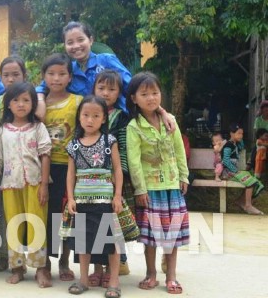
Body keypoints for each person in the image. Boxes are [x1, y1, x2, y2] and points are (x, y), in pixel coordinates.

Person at [126, 71, 189, 294]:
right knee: (151, 237)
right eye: (145, 94)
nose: (151, 98)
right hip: (150, 190)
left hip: (172, 187)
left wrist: (184, 176)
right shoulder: (133, 127)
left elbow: (179, 150)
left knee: (172, 236)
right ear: (134, 98)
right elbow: (134, 162)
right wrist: (140, 189)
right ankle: (151, 273)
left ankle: (171, 276)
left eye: (155, 92)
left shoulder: (170, 121)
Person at [0, 82, 52, 286]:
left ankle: (41, 268)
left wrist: (44, 185)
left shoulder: (38, 127)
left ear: (33, 104)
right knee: (14, 226)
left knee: (37, 224)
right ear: (8, 105)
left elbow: (45, 155)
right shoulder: (2, 131)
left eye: (26, 100)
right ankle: (17, 267)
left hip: (34, 183)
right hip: (9, 184)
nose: (21, 104)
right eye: (16, 100)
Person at [61, 96, 123, 298]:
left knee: (111, 241)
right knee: (82, 241)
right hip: (81, 201)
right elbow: (70, 174)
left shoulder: (109, 141)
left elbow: (118, 169)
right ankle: (84, 279)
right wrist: (70, 198)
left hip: (105, 200)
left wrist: (117, 195)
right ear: (79, 117)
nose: (90, 120)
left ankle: (114, 281)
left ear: (104, 118)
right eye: (86, 115)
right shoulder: (74, 145)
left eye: (96, 116)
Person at [41, 53, 83, 286]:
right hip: (44, 167)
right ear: (44, 76)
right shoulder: (38, 102)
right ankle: (44, 262)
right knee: (47, 216)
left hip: (70, 167)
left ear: (69, 77)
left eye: (62, 74)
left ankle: (64, 262)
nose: (56, 78)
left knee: (68, 216)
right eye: (51, 73)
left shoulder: (77, 101)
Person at [36, 22, 131, 117]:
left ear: (90, 40)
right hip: (87, 123)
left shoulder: (106, 60)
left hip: (118, 119)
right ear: (65, 46)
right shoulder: (67, 70)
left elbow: (131, 86)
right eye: (70, 42)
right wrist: (40, 100)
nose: (76, 46)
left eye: (80, 40)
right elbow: (44, 86)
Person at [91, 70, 133, 281]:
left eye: (111, 89)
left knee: (112, 223)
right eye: (101, 88)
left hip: (111, 179)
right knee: (94, 222)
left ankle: (116, 265)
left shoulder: (121, 117)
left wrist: (120, 176)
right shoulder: (87, 112)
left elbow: (123, 149)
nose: (105, 93)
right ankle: (97, 266)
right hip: (89, 181)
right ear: (94, 89)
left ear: (119, 93)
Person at [0, 55, 28, 273]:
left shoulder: (31, 99)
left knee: (23, 212)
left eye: (16, 75)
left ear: (24, 76)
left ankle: (23, 258)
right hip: (1, 163)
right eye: (6, 75)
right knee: (0, 210)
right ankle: (2, 256)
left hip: (24, 166)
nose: (11, 79)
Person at [221, 123, 265, 215]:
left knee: (254, 180)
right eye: (238, 133)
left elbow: (242, 146)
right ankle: (248, 205)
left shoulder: (235, 144)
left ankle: (241, 202)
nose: (241, 135)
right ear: (231, 134)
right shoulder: (228, 146)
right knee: (251, 181)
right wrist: (235, 171)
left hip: (234, 172)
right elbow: (225, 161)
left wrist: (239, 140)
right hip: (227, 172)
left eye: (242, 134)